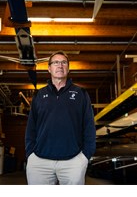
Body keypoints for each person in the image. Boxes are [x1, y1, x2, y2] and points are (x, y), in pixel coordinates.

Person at [25, 52, 96, 185]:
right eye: (56, 62)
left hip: (73, 161)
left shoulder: (81, 94)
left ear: (68, 68)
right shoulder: (39, 95)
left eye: (64, 62)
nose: (60, 65)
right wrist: (30, 153)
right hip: (40, 162)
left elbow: (89, 126)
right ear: (49, 68)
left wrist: (85, 156)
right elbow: (31, 127)